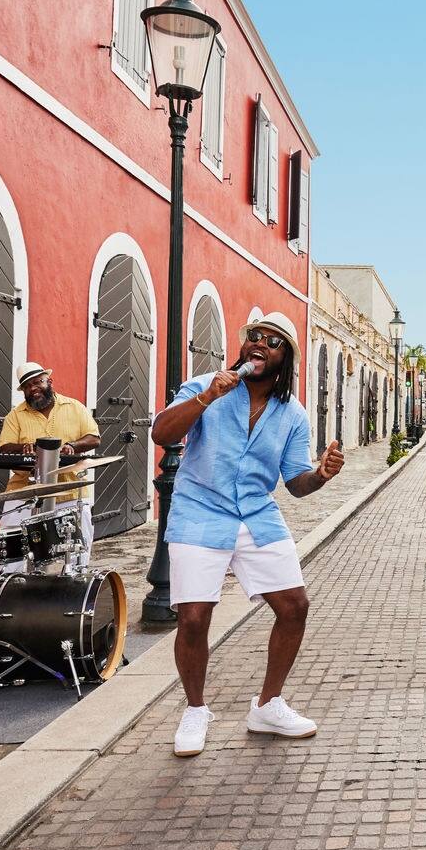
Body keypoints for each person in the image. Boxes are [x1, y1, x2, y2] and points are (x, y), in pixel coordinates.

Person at [151, 312, 343, 757]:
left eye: (272, 342)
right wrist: (206, 399)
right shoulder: (206, 386)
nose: (260, 344)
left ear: (285, 358)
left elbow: (295, 483)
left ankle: (268, 705)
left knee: (294, 607)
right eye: (254, 337)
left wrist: (321, 474)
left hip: (257, 514)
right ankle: (196, 710)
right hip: (200, 512)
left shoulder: (292, 413)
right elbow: (162, 433)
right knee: (194, 617)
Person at [0, 361, 101, 558]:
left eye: (37, 382)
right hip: (24, 493)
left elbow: (94, 438)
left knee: (75, 552)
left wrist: (73, 446)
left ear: (49, 381)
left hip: (69, 491)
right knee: (12, 553)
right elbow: (4, 447)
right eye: (27, 386)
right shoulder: (15, 415)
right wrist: (22, 448)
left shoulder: (74, 406)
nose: (33, 389)